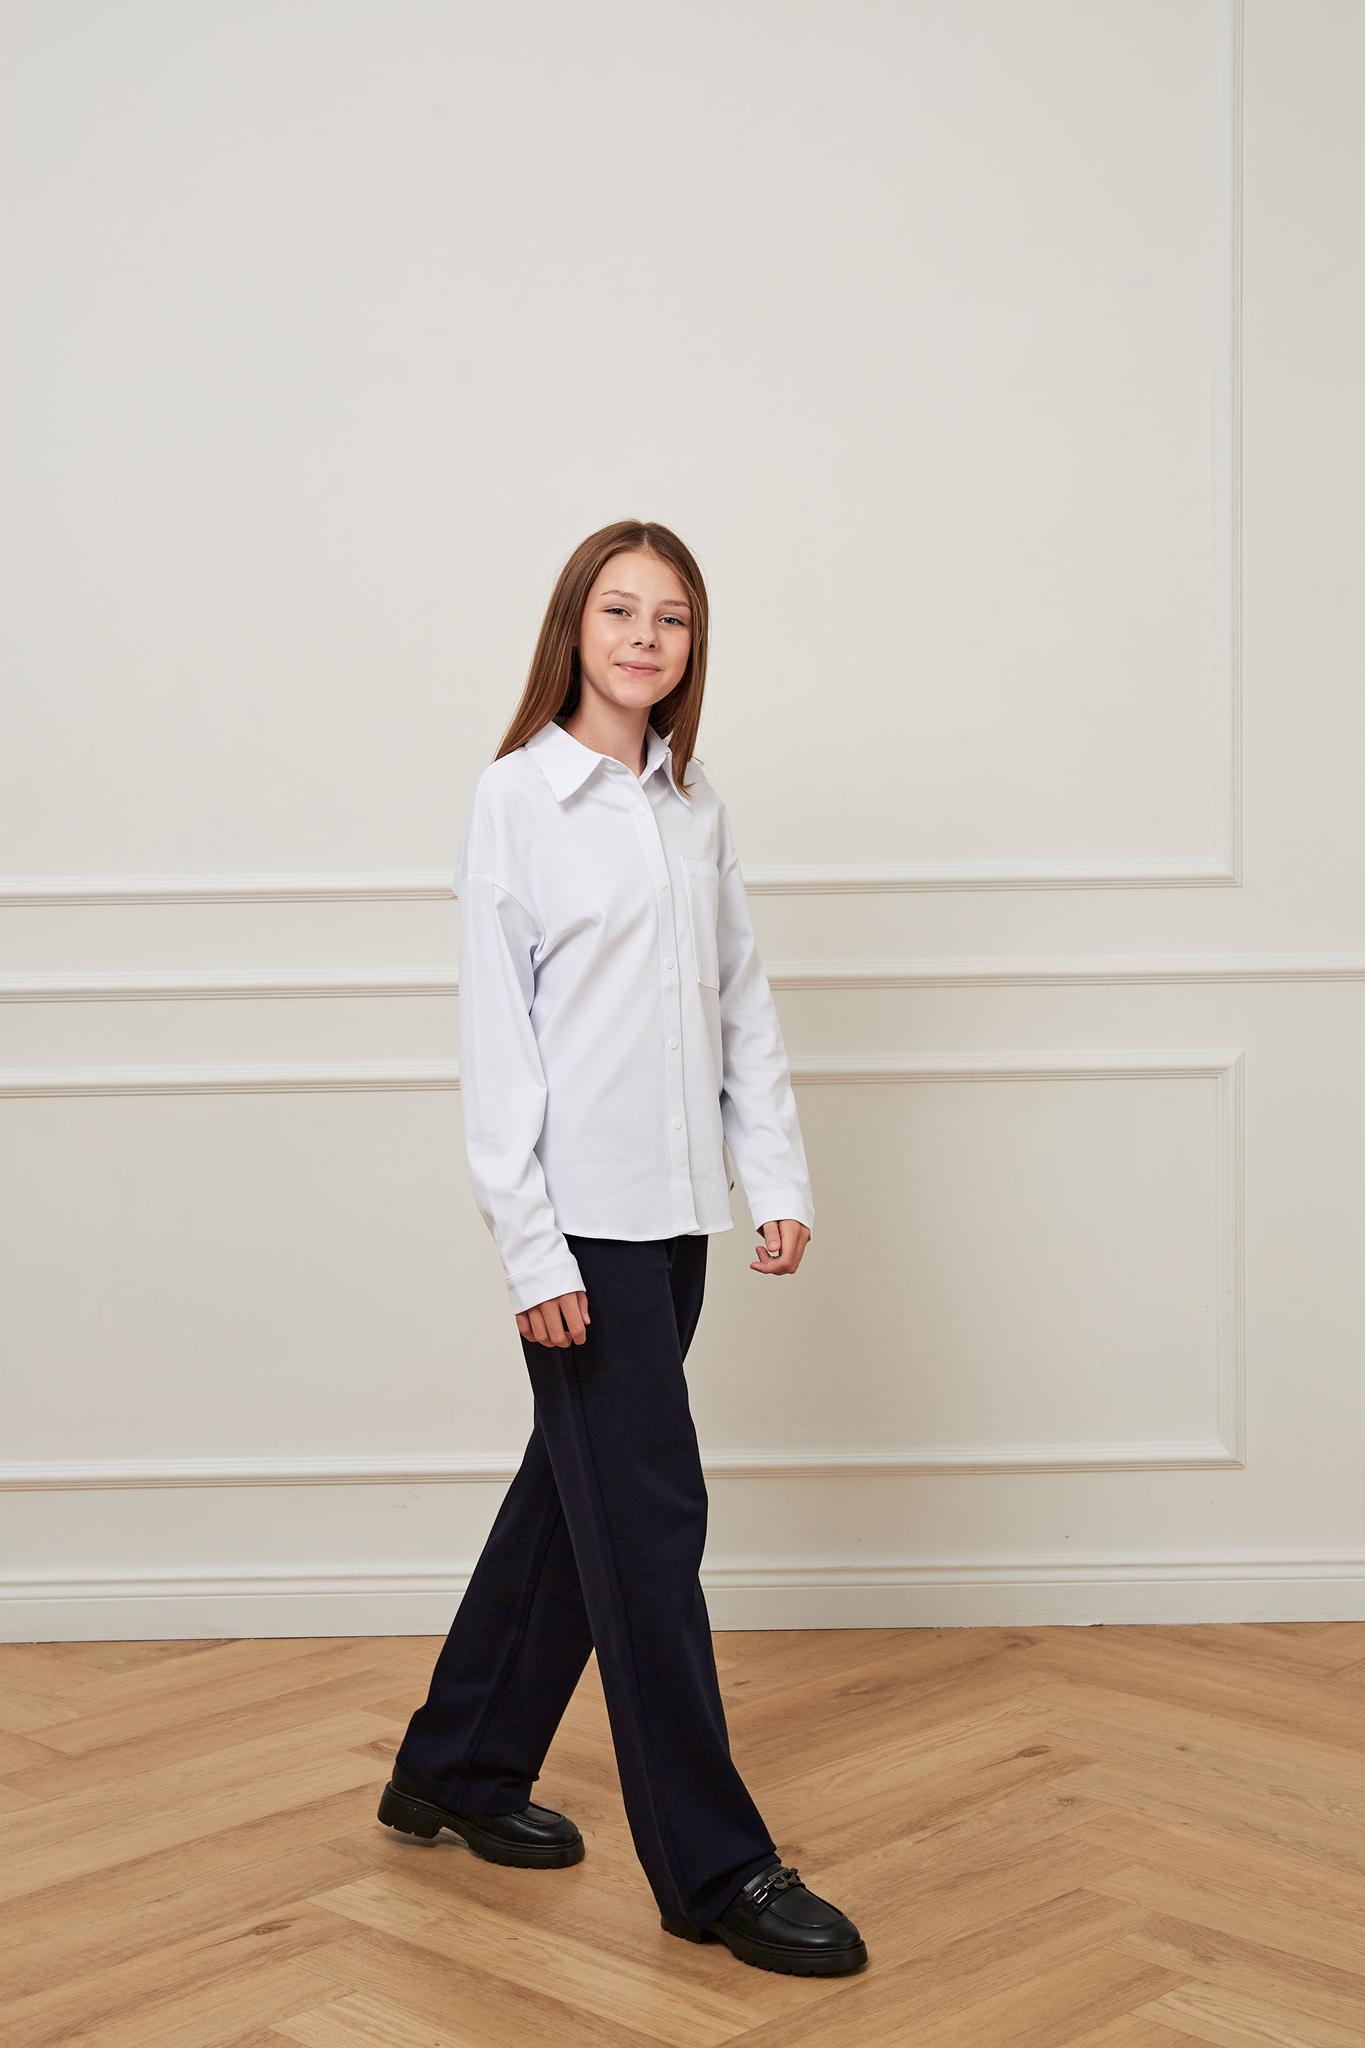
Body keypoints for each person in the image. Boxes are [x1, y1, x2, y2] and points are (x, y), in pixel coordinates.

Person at [378, 520, 867, 1977]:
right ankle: (713, 1868)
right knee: (650, 1526)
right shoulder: (516, 799)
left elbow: (738, 999)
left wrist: (775, 1173)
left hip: (677, 1219)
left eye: (672, 618)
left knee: (574, 1497)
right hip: (580, 1228)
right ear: (573, 630)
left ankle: (455, 1767)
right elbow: (499, 1042)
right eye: (619, 611)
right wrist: (532, 1254)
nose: (645, 637)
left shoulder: (691, 804)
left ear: (691, 646)